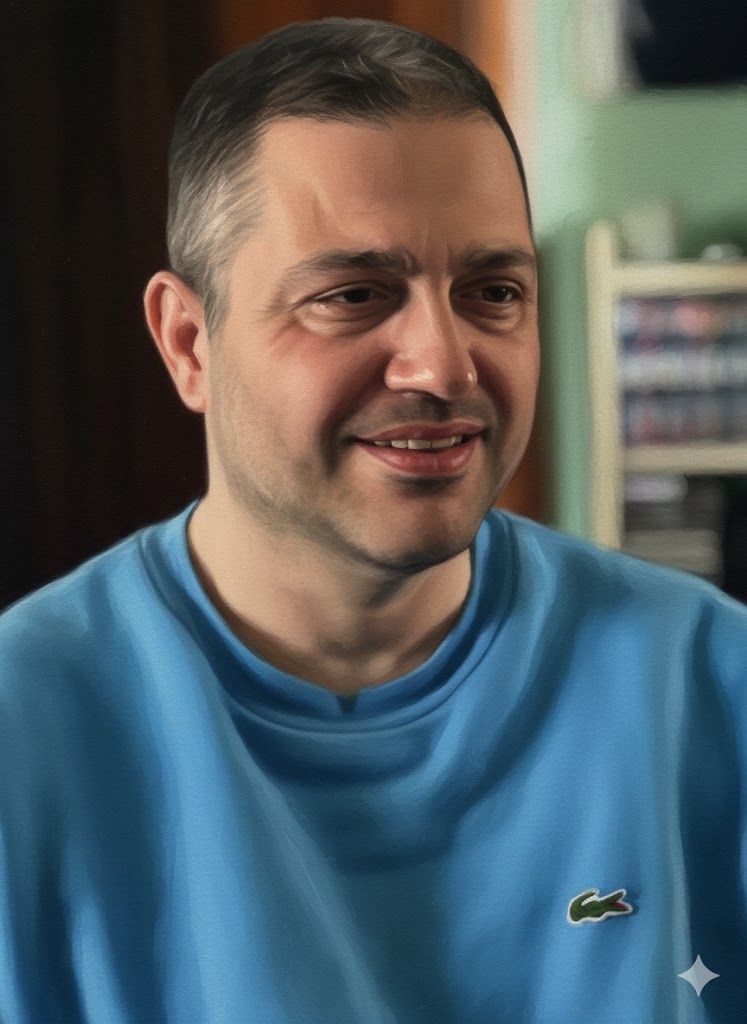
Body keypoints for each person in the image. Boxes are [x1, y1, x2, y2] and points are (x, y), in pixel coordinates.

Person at [1, 17, 745, 1024]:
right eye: (353, 294)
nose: (443, 364)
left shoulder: (708, 686)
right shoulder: (28, 731)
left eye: (492, 291)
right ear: (189, 342)